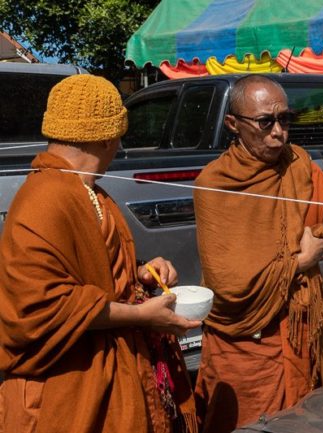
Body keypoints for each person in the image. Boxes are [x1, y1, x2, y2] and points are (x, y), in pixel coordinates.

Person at [193, 75, 323, 432]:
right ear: (233, 124)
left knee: (303, 421)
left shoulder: (298, 163)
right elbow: (229, 285)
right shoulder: (214, 184)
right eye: (265, 122)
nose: (278, 133)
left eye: (285, 120)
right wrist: (302, 261)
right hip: (246, 344)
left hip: (300, 330)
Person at [0, 74, 202, 433]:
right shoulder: (46, 198)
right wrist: (142, 316)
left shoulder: (86, 191)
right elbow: (42, 307)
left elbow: (91, 271)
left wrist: (139, 271)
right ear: (109, 136)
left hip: (107, 370)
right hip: (68, 389)